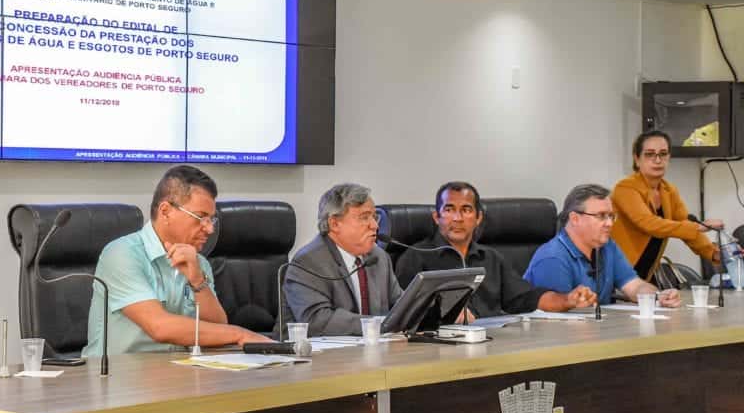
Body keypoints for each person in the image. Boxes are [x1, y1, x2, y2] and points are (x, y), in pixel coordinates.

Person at [83, 165, 269, 355]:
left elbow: (217, 328)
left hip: (178, 368)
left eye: (211, 220)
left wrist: (198, 281)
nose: (210, 229)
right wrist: (240, 334)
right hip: (119, 371)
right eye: (201, 217)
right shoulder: (121, 254)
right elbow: (159, 327)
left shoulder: (199, 262)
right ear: (165, 211)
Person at [394, 182, 596, 318]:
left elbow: (525, 298)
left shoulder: (491, 258)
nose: (457, 218)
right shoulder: (415, 257)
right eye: (449, 209)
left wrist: (567, 300)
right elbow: (402, 313)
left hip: (492, 344)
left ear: (478, 218)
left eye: (466, 210)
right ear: (436, 217)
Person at [525, 184, 681, 307]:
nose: (609, 224)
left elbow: (633, 286)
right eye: (601, 216)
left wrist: (658, 296)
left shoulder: (607, 247)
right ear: (575, 219)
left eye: (611, 216)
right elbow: (558, 314)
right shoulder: (552, 258)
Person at [283, 183, 402, 336]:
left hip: (371, 347)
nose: (374, 225)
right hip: (311, 350)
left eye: (374, 217)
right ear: (334, 224)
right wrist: (379, 325)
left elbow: (400, 307)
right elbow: (317, 321)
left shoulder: (379, 257)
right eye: (364, 217)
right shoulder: (308, 262)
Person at [611, 130, 720, 282]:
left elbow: (686, 228)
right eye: (650, 154)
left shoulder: (669, 191)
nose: (657, 160)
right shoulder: (626, 188)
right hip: (616, 273)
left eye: (663, 154)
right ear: (637, 159)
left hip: (645, 274)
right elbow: (649, 224)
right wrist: (697, 227)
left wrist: (714, 253)